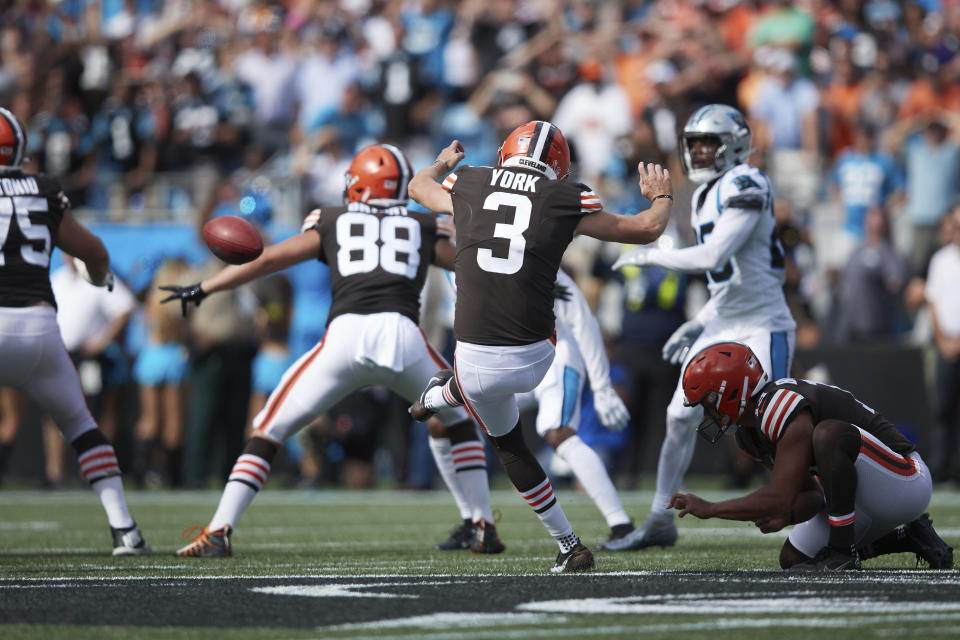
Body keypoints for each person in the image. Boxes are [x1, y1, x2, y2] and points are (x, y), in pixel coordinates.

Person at [161, 143, 497, 557]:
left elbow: (268, 260)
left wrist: (205, 286)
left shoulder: (332, 219)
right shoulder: (422, 224)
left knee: (269, 427)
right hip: (403, 336)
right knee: (459, 418)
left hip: (346, 335)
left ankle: (219, 530)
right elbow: (471, 266)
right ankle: (482, 524)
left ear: (358, 185)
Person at [407, 120, 673, 572]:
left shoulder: (470, 182)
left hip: (473, 360)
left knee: (508, 444)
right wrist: (662, 194)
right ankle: (570, 546)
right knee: (512, 421)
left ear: (504, 153)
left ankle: (445, 393)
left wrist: (443, 162)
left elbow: (417, 186)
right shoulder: (566, 198)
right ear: (561, 169)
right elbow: (648, 229)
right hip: (538, 356)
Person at [610, 104, 796, 551]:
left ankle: (825, 508)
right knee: (678, 415)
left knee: (778, 422)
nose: (698, 151)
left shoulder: (747, 181)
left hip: (763, 324)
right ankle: (659, 518)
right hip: (724, 320)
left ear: (733, 144)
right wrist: (700, 322)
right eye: (692, 143)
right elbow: (727, 277)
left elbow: (713, 255)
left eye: (707, 143)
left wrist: (651, 253)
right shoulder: (701, 194)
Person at [0, 107, 149, 555]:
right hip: (41, 327)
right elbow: (94, 250)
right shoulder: (45, 191)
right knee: (82, 426)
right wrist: (100, 278)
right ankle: (124, 529)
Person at [669, 342, 953, 571]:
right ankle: (909, 538)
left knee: (828, 434)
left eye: (708, 402)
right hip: (858, 493)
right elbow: (812, 497)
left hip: (904, 479)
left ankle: (842, 552)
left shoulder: (778, 405)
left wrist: (713, 509)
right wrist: (789, 515)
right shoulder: (748, 434)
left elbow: (777, 497)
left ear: (732, 391)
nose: (707, 414)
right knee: (793, 559)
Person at [925, 203, 960, 482]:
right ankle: (941, 469)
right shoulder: (940, 260)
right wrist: (943, 340)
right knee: (943, 408)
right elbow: (933, 304)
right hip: (945, 345)